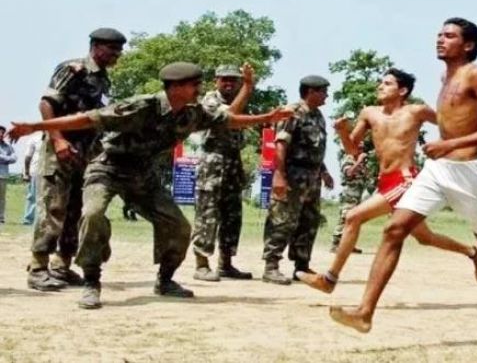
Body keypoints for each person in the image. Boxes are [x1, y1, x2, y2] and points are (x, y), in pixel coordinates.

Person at [329, 18, 477, 333]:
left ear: (468, 45)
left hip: (470, 174)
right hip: (436, 172)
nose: (440, 39)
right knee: (394, 230)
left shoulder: (475, 76)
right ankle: (364, 312)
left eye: (449, 36)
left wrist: (451, 143)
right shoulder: (444, 77)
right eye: (439, 34)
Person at [7, 61, 294, 309]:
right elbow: (88, 119)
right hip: (107, 167)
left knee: (179, 226)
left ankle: (165, 280)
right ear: (177, 86)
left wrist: (267, 118)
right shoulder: (142, 106)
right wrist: (37, 127)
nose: (199, 89)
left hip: (142, 175)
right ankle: (91, 281)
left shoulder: (191, 113)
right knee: (92, 214)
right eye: (195, 84)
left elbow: (228, 120)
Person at [298, 68, 477, 294]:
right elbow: (353, 149)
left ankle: (329, 279)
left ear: (402, 90)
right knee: (425, 237)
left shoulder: (416, 111)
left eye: (387, 83)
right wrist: (341, 132)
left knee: (353, 217)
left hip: (407, 179)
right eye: (381, 82)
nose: (380, 86)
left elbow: (453, 124)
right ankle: (473, 253)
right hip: (386, 182)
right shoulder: (369, 113)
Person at [28, 28, 126, 292]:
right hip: (61, 149)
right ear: (95, 46)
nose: (116, 55)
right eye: (111, 49)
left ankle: (62, 265)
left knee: (75, 211)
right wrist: (58, 139)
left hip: (85, 153)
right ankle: (38, 268)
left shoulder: (103, 80)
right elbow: (46, 104)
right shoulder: (73, 69)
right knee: (54, 208)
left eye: (119, 50)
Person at [261, 75, 333, 285]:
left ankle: (301, 267)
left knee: (308, 222)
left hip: (311, 178)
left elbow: (315, 148)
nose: (326, 95)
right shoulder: (292, 112)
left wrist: (324, 172)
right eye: (323, 91)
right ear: (311, 92)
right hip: (293, 175)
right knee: (282, 220)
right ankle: (271, 266)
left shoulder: (318, 116)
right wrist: (279, 175)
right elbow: (281, 145)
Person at [191, 64, 256, 282]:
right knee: (207, 215)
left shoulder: (239, 100)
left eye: (234, 80)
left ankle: (226, 264)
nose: (229, 84)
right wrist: (248, 88)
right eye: (224, 79)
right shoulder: (211, 100)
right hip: (212, 162)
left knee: (232, 216)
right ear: (216, 81)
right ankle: (201, 264)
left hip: (232, 161)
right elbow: (229, 116)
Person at [331, 151, 370, 254]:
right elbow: (349, 173)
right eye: (359, 144)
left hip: (358, 195)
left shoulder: (361, 162)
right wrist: (359, 161)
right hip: (349, 195)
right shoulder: (348, 158)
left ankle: (349, 245)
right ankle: (336, 245)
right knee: (344, 218)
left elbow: (365, 177)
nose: (362, 147)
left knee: (354, 220)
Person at [21, 136, 43, 225]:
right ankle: (28, 219)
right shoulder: (35, 138)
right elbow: (28, 157)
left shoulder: (57, 136)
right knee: (32, 197)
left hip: (50, 171)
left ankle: (41, 220)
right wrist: (26, 172)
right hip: (35, 171)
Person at [0, 125, 16, 225]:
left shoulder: (8, 146)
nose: (1, 134)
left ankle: (0, 217)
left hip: (3, 175)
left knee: (1, 198)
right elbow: (9, 158)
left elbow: (14, 158)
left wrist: (2, 158)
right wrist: (6, 158)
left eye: (2, 133)